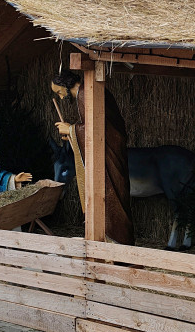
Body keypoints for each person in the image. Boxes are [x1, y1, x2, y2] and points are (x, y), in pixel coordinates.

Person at [51, 70, 134, 245]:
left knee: (111, 197)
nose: (60, 97)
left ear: (65, 85)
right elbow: (93, 127)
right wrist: (73, 133)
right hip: (110, 152)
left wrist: (71, 130)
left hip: (108, 156)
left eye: (59, 92)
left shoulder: (85, 94)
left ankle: (115, 241)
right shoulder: (89, 92)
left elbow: (97, 129)